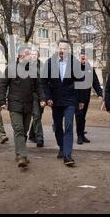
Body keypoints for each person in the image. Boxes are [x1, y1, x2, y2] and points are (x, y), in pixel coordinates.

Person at [0, 47, 46, 168]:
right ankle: (23, 156)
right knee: (19, 129)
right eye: (28, 54)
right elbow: (3, 85)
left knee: (24, 131)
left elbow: (39, 86)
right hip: (15, 104)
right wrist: (2, 101)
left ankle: (18, 153)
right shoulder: (11, 68)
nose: (31, 56)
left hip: (28, 104)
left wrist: (42, 99)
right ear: (21, 56)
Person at [42, 39, 85, 167]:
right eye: (60, 48)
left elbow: (81, 82)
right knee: (57, 126)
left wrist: (81, 99)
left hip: (70, 100)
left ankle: (67, 155)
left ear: (68, 50)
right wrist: (48, 97)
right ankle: (61, 147)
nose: (62, 51)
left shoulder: (74, 63)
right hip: (55, 100)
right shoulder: (50, 63)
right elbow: (44, 82)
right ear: (57, 49)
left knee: (69, 125)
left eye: (65, 48)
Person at [75, 52, 103, 145]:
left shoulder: (90, 69)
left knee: (83, 117)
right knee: (79, 117)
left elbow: (95, 81)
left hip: (86, 97)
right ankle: (79, 136)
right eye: (82, 59)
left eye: (85, 59)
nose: (84, 60)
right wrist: (78, 100)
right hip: (78, 98)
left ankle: (82, 135)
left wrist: (100, 94)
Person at [27, 50, 46, 147]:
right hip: (32, 94)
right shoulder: (26, 66)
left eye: (35, 54)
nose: (33, 56)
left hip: (41, 94)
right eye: (31, 54)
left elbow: (46, 81)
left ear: (38, 56)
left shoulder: (43, 66)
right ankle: (40, 138)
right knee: (37, 115)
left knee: (39, 116)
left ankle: (31, 134)